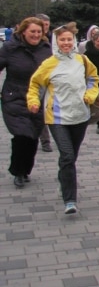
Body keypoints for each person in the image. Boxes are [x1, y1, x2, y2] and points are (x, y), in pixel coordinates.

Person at [27, 22, 99, 215]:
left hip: (80, 116)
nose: (66, 43)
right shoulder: (48, 64)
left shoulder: (82, 60)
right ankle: (70, 200)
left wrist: (90, 95)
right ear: (55, 42)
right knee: (67, 155)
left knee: (71, 157)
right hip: (57, 117)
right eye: (62, 40)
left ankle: (64, 179)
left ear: (74, 41)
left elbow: (93, 78)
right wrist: (33, 101)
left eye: (69, 39)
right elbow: (34, 85)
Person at [0, 17, 51, 187]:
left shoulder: (46, 49)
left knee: (32, 137)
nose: (36, 35)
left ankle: (25, 169)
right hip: (14, 97)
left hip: (37, 98)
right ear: (23, 32)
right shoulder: (10, 48)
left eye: (39, 32)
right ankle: (18, 171)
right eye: (32, 32)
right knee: (22, 134)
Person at [35, 14, 54, 152]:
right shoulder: (35, 40)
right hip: (37, 80)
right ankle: (45, 141)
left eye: (47, 24)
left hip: (51, 79)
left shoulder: (53, 37)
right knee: (40, 110)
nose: (45, 27)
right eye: (42, 24)